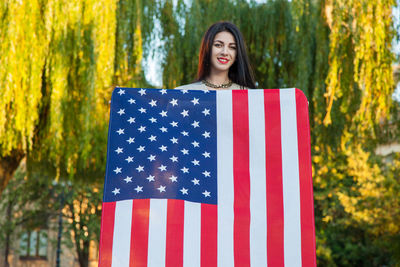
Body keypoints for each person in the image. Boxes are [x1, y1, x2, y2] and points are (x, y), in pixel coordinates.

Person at [175, 21, 256, 90]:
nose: (225, 52)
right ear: (207, 48)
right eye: (218, 45)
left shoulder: (249, 95)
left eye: (232, 47)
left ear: (237, 55)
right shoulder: (182, 93)